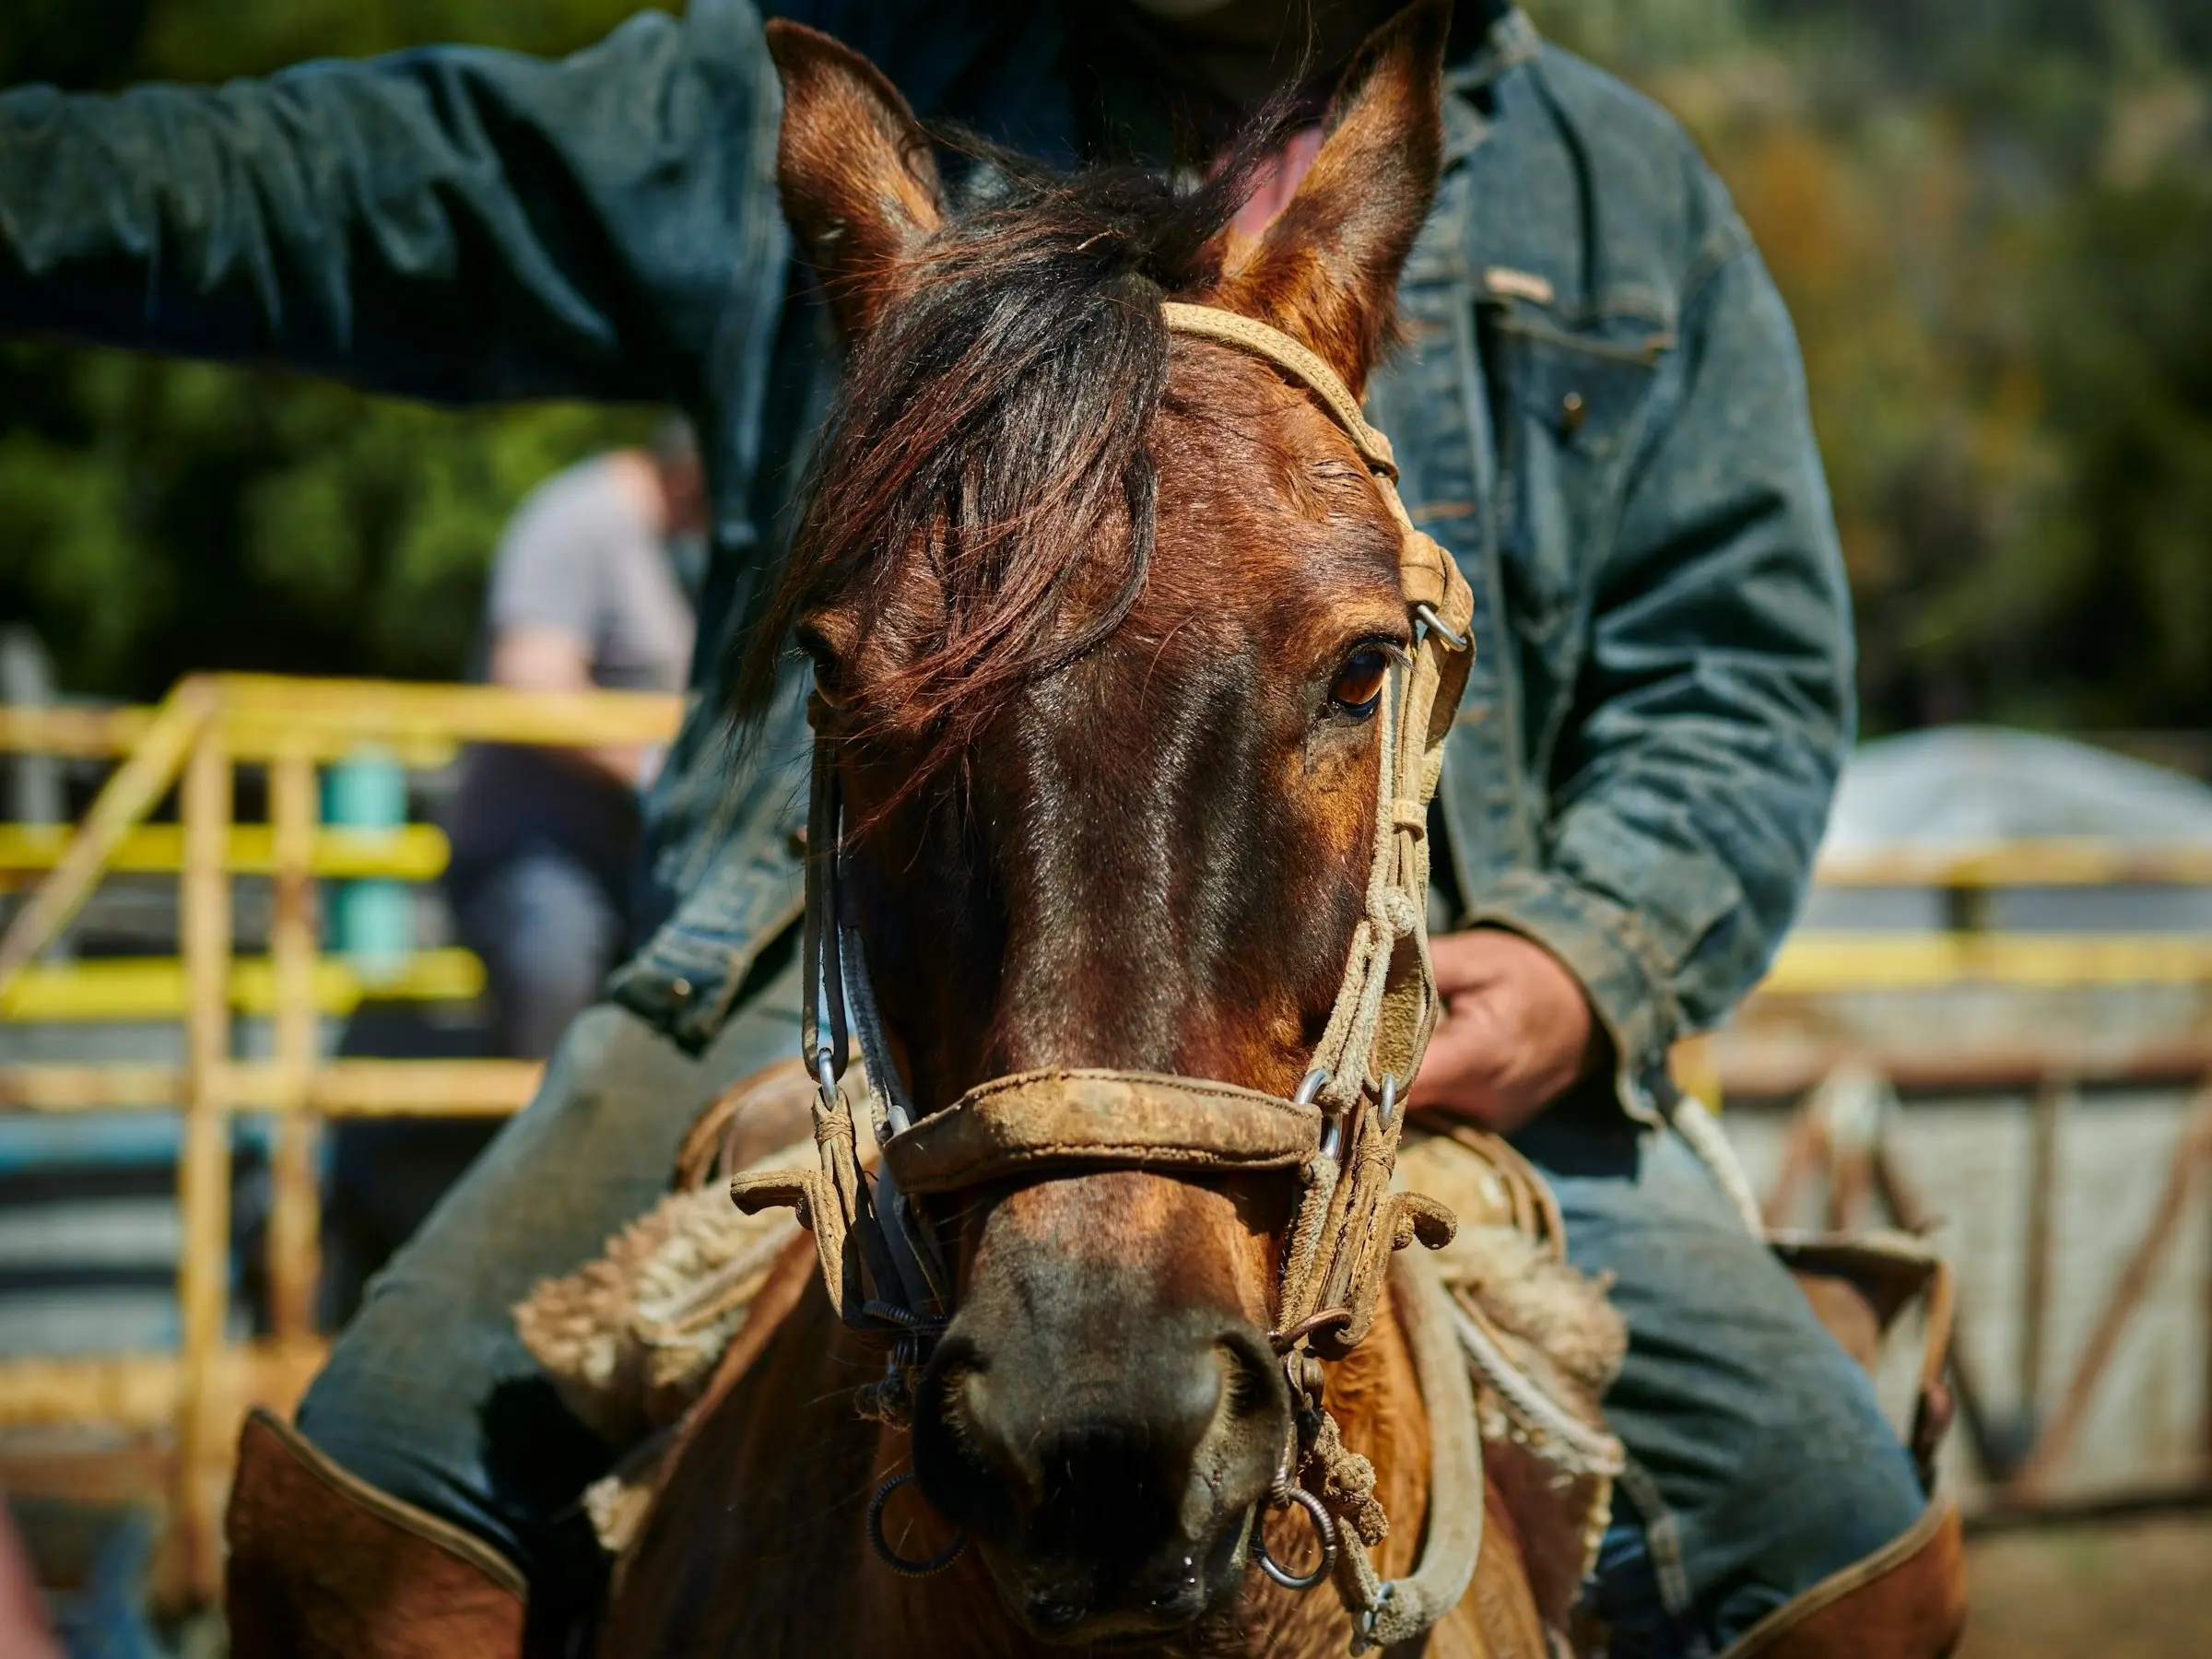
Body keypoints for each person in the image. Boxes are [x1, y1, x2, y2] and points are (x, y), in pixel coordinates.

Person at [0, 4, 1963, 1655]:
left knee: (1837, 1546)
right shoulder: (841, 57)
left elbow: (1742, 682)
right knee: (378, 1501)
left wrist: (1580, 960)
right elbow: (349, 188)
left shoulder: (1620, 201)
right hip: (821, 976)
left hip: (1445, 1008)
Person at [448, 420, 704, 1060]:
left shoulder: (682, 543)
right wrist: (656, 767)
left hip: (644, 852)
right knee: (556, 958)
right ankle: (542, 1143)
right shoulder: (576, 521)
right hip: (538, 853)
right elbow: (531, 680)